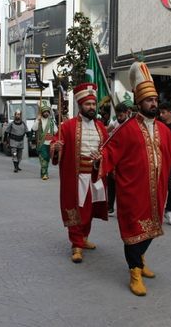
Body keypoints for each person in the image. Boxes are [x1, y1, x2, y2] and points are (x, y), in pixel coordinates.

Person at [93, 61, 171, 297]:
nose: (153, 104)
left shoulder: (164, 130)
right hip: (132, 192)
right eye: (148, 100)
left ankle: (140, 260)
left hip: (158, 190)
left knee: (153, 229)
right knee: (134, 232)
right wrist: (98, 160)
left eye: (155, 100)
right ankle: (134, 270)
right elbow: (109, 152)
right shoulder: (126, 129)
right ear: (138, 102)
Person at [50, 82, 109, 264]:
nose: (91, 107)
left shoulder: (101, 127)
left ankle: (83, 237)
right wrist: (56, 148)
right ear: (80, 105)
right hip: (76, 177)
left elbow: (108, 148)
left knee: (90, 210)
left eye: (93, 104)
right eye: (88, 104)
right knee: (76, 210)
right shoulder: (67, 126)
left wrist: (103, 156)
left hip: (95, 175)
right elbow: (54, 145)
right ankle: (76, 244)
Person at [105, 100, 132, 216]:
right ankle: (110, 206)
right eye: (118, 115)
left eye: (121, 115)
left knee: (124, 185)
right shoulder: (116, 122)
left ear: (127, 113)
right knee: (110, 182)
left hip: (126, 158)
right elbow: (107, 130)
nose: (119, 117)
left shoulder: (131, 124)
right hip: (114, 156)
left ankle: (125, 208)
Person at [32, 101, 57, 180]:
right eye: (44, 112)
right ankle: (44, 174)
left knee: (47, 159)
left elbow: (56, 131)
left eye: (47, 112)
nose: (46, 113)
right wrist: (37, 120)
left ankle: (44, 172)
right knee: (43, 158)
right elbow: (34, 128)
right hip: (42, 143)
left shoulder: (52, 121)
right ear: (42, 112)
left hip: (50, 143)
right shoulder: (39, 120)